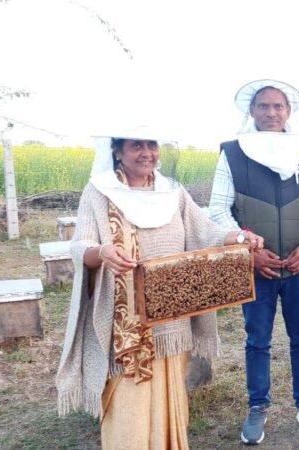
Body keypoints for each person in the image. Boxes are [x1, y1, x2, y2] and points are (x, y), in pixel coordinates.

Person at [55, 127, 263, 450]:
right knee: (128, 407)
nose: (146, 153)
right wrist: (102, 252)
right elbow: (80, 244)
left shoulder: (172, 191)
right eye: (136, 145)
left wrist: (238, 237)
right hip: (125, 323)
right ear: (117, 151)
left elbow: (205, 231)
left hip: (171, 320)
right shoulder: (99, 191)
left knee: (170, 397)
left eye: (151, 145)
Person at [209, 79, 299, 444]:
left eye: (278, 106)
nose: (271, 112)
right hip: (256, 268)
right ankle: (258, 406)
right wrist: (248, 250)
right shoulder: (233, 152)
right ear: (251, 110)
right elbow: (218, 209)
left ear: (288, 110)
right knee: (257, 340)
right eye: (263, 106)